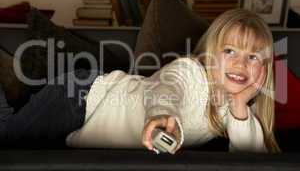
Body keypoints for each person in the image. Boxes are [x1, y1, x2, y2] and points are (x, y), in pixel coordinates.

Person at [0, 9, 280, 153]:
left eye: (253, 57)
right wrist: (161, 116)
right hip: (83, 97)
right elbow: (166, 90)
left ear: (264, 69)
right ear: (209, 55)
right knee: (8, 139)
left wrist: (242, 103)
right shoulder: (191, 72)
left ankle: (19, 98)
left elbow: (250, 156)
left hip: (89, 118)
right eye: (229, 51)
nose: (240, 63)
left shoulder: (232, 110)